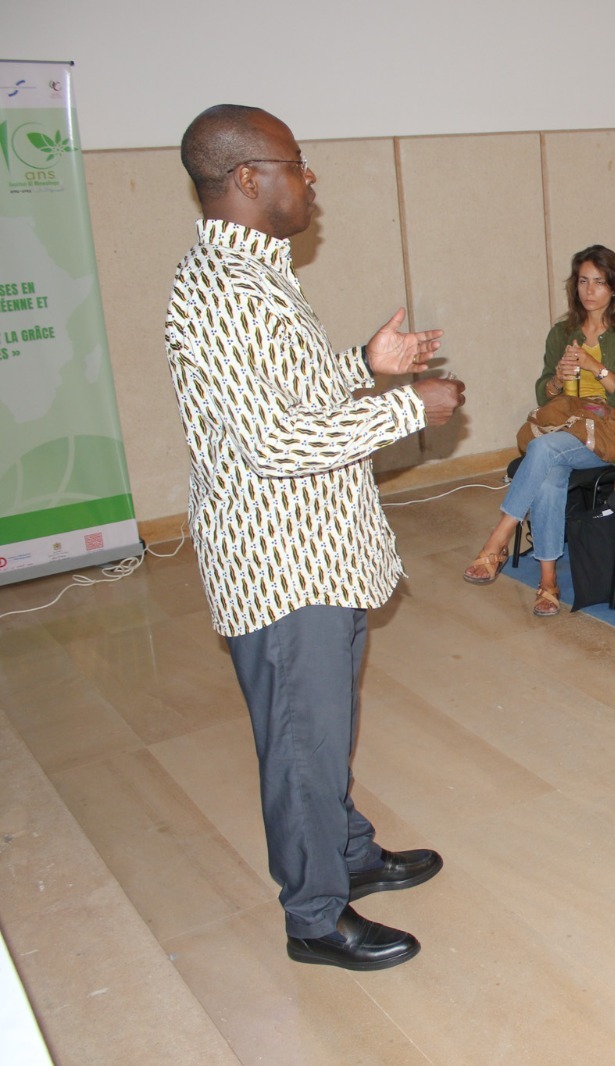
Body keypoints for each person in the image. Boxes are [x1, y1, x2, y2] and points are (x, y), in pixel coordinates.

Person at [165, 105, 465, 971]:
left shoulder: (255, 276)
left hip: (317, 551)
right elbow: (270, 442)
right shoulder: (223, 287)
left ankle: (349, 853)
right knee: (302, 732)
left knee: (324, 724)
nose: (310, 181)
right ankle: (314, 915)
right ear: (249, 179)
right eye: (297, 165)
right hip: (281, 562)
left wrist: (363, 367)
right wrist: (407, 407)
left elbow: (283, 397)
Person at [462, 246, 615, 616]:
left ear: (614, 288)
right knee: (549, 472)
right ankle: (548, 581)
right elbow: (543, 390)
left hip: (608, 435)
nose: (589, 290)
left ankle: (497, 538)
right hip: (567, 426)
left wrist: (595, 367)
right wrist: (557, 382)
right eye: (583, 281)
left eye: (599, 282)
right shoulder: (562, 333)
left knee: (544, 450)